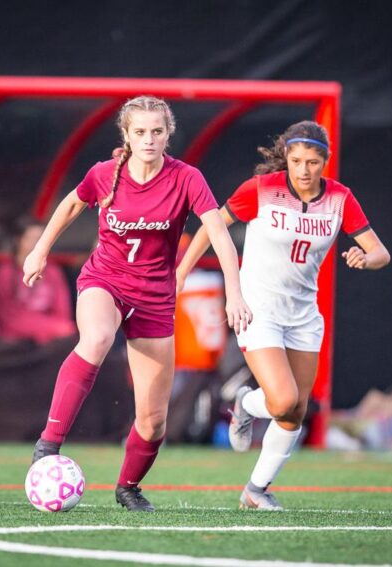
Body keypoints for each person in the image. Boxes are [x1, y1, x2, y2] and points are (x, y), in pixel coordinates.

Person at [22, 95, 252, 512]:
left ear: (169, 135)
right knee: (96, 339)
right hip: (105, 280)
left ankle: (128, 487)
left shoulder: (187, 178)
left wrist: (234, 293)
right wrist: (40, 250)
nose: (149, 139)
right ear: (126, 135)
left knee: (153, 420)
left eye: (157, 132)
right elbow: (72, 202)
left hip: (155, 297)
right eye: (140, 132)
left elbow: (219, 235)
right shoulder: (104, 173)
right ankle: (48, 445)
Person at [176, 120, 391, 510]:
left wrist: (366, 257)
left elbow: (380, 252)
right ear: (286, 159)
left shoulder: (340, 198)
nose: (304, 170)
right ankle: (245, 403)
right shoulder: (261, 190)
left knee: (295, 412)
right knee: (281, 400)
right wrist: (182, 272)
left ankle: (255, 490)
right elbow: (211, 227)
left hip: (304, 316)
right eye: (296, 160)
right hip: (259, 309)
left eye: (312, 161)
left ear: (325, 161)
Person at [0, 218, 76, 344]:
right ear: (19, 240)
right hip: (17, 336)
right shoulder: (6, 272)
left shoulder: (53, 271)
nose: (37, 244)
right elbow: (5, 315)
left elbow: (62, 310)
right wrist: (45, 329)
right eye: (32, 238)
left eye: (41, 239)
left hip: (52, 333)